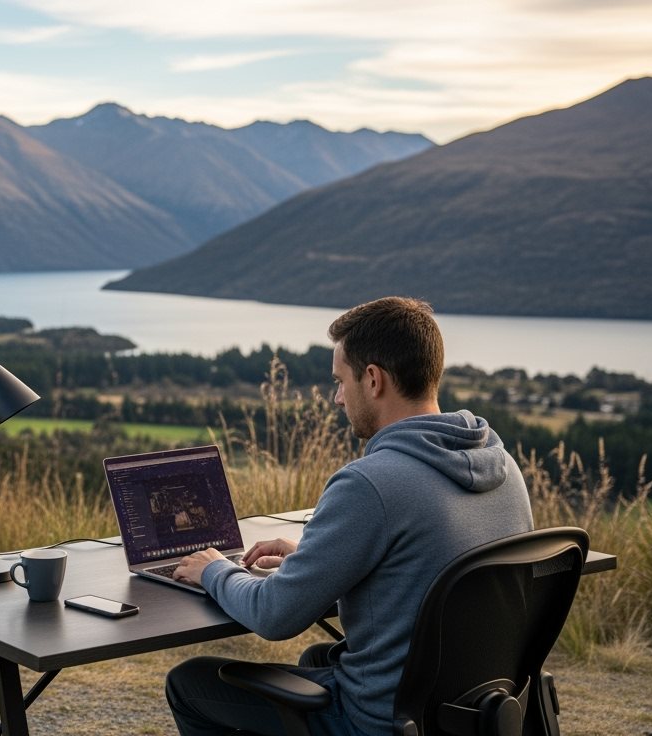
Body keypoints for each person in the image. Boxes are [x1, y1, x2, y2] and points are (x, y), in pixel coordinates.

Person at [166, 297, 534, 736]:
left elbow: (274, 615)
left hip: (381, 720)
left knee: (188, 682)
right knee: (320, 658)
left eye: (340, 381)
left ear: (374, 379)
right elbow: (423, 565)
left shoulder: (370, 483)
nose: (338, 398)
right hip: (470, 712)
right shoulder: (503, 466)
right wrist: (312, 559)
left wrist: (214, 571)